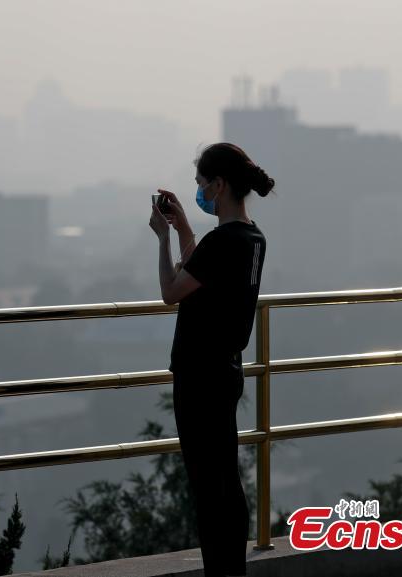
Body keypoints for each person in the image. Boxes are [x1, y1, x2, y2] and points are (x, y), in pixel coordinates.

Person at [148, 142, 274, 577]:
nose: (200, 192)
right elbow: (200, 275)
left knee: (208, 487)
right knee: (225, 482)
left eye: (202, 185)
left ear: (218, 185)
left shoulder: (223, 241)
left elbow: (172, 290)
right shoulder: (251, 238)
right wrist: (184, 228)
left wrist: (163, 238)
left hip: (198, 376)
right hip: (226, 370)